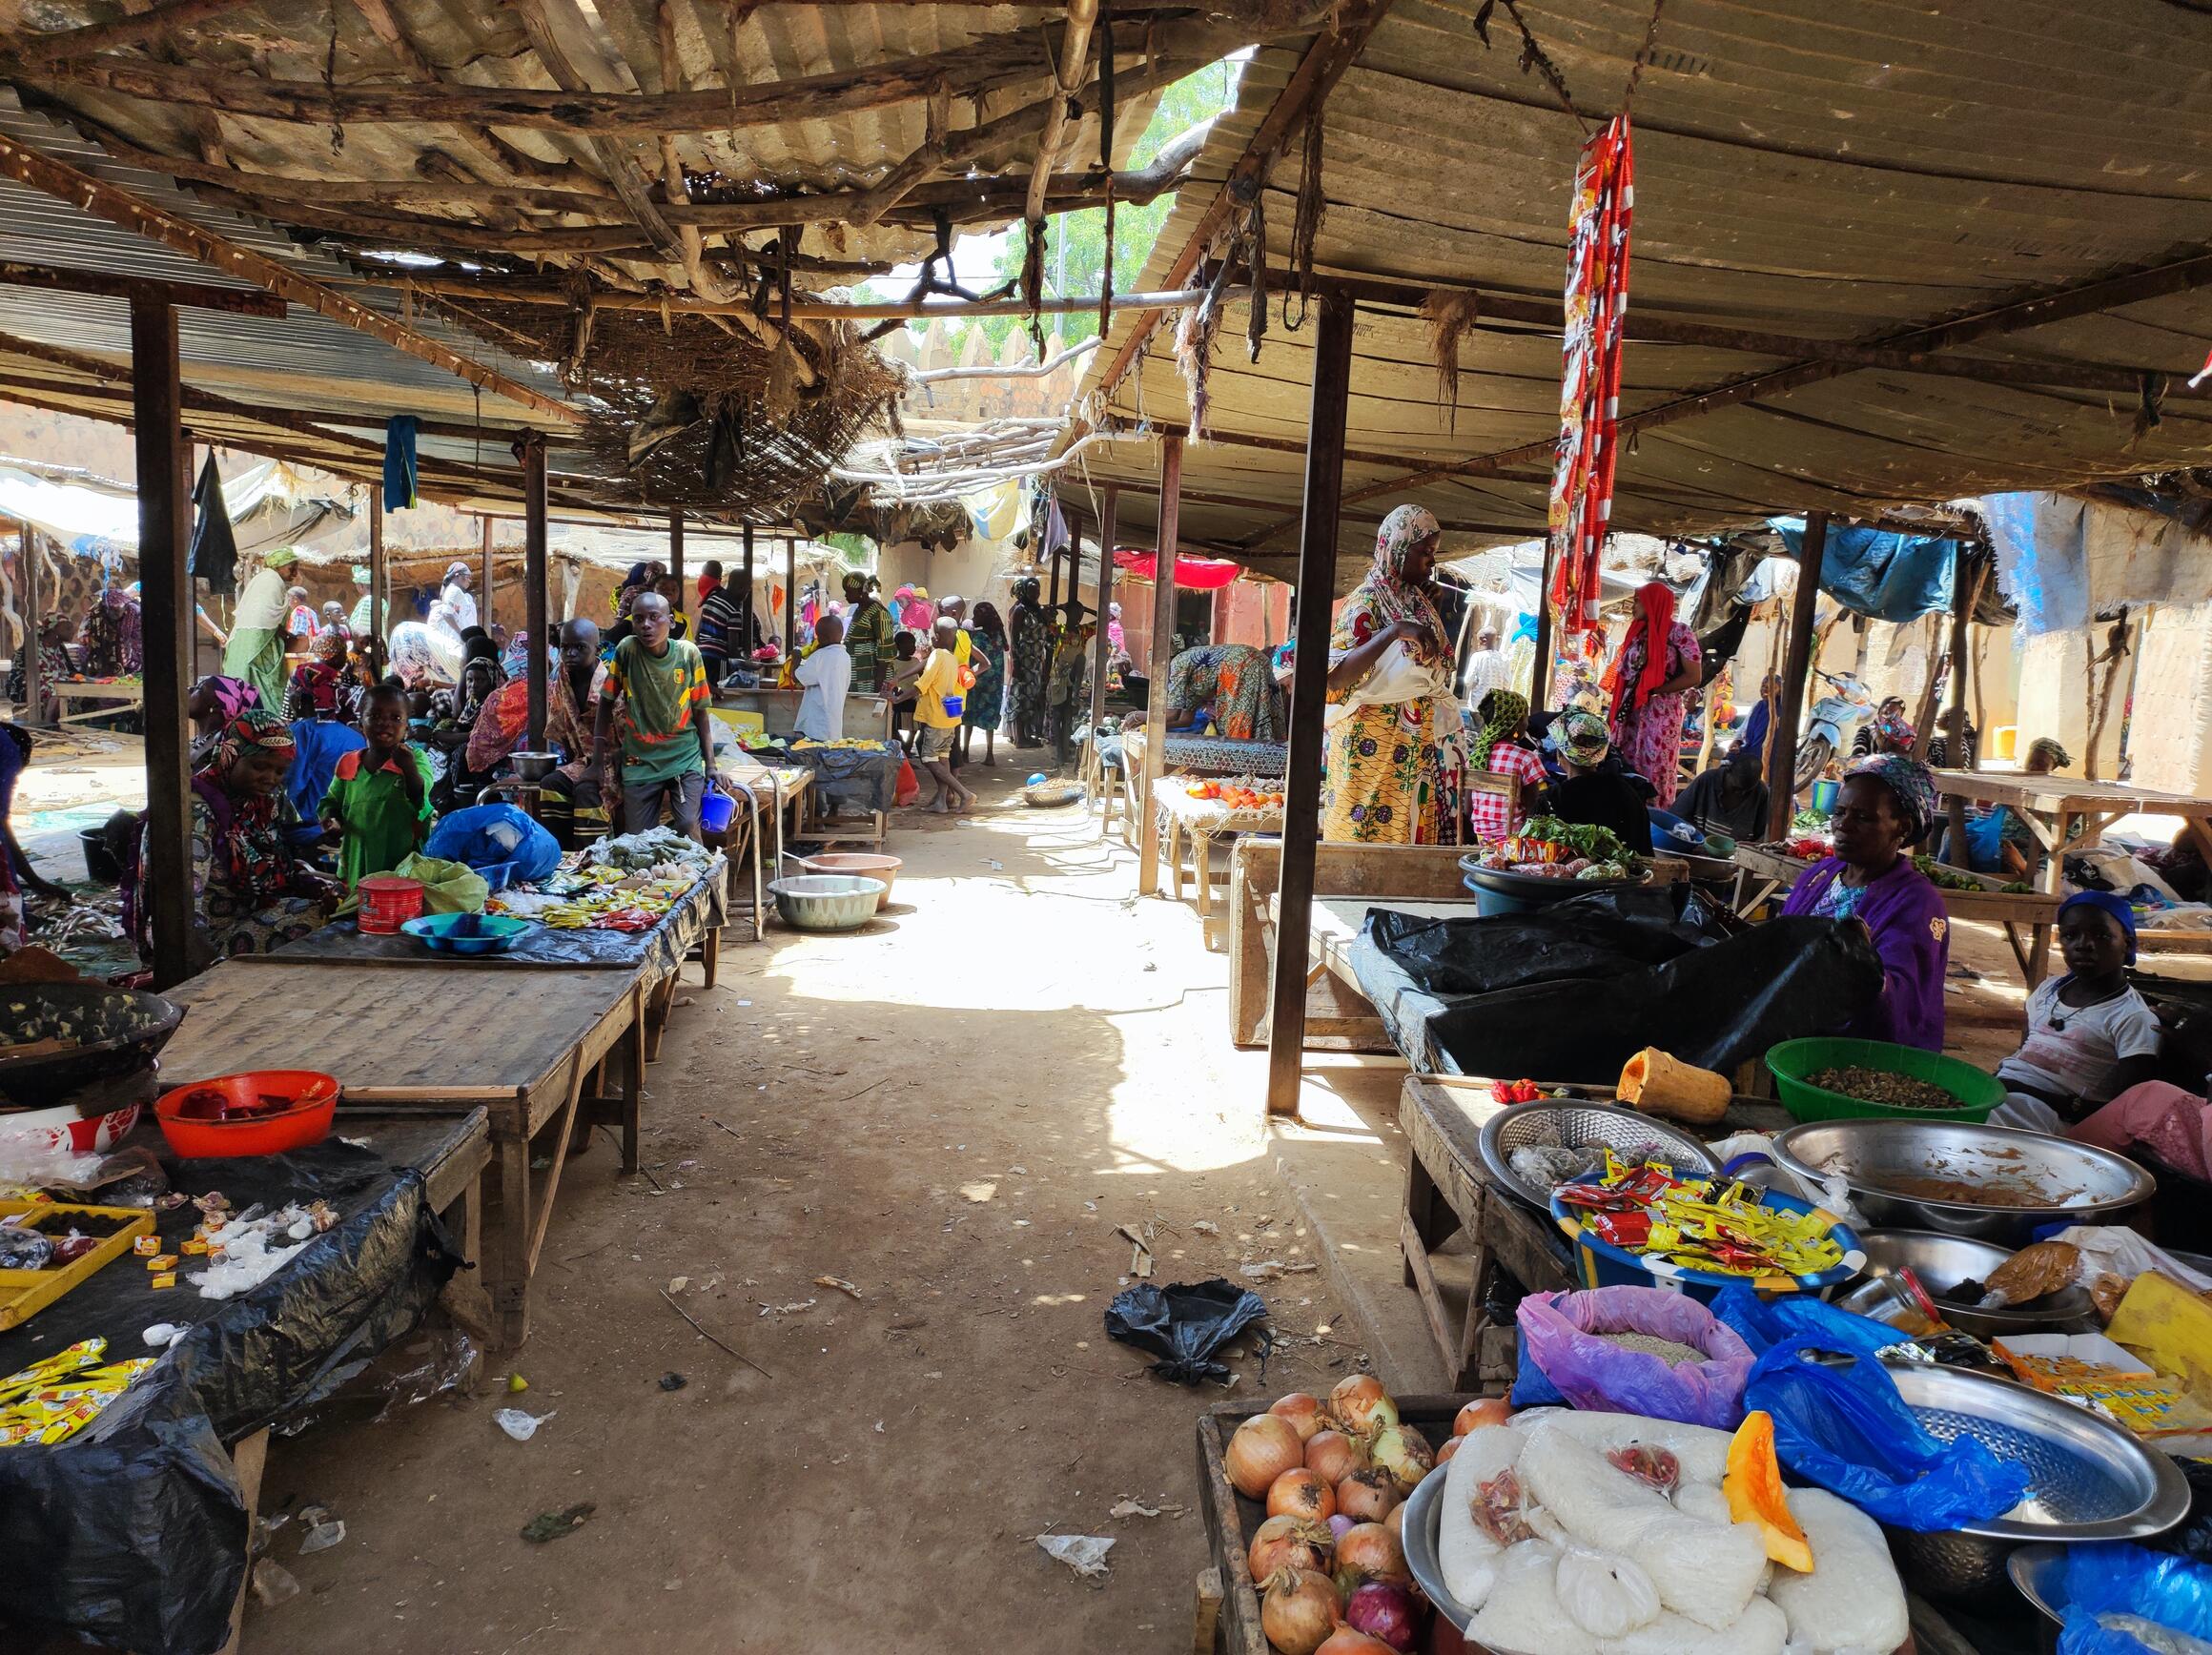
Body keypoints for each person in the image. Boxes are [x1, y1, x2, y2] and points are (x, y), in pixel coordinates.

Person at [1780, 752, 1950, 1051]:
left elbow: (1901, 1002)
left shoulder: (1917, 903)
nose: (1843, 825)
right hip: (1791, 1030)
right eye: (1840, 812)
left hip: (1858, 1055)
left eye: (1863, 817)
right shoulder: (1821, 875)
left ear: (1903, 828)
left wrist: (1860, 960)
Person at [1321, 504, 1466, 845]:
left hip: (1415, 751)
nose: (1432, 562)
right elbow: (1334, 679)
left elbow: (1431, 662)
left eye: (1434, 554)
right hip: (1369, 749)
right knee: (1362, 839)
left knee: (1408, 840)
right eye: (1425, 553)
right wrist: (1394, 631)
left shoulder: (1417, 600)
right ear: (1398, 548)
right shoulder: (1366, 603)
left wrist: (1426, 611)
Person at [1989, 890, 2162, 1134]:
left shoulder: (2132, 1018)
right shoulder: (2048, 990)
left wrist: (2019, 1089)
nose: (2083, 945)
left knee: (1975, 1118)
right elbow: (2026, 1052)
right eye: (2070, 935)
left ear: (2128, 943)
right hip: (2005, 1094)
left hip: (2054, 1117)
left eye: (2101, 935)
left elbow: (2126, 1111)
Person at [174, 710, 336, 968]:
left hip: (247, 915)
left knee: (337, 913)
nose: (270, 779)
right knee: (320, 927)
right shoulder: (196, 812)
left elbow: (275, 866)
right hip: (201, 943)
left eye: (280, 771)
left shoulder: (259, 805)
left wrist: (316, 887)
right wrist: (210, 971)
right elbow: (180, 915)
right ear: (231, 754)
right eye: (259, 766)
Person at [595, 591, 712, 837]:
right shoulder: (627, 651)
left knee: (688, 826)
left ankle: (698, 875)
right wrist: (598, 759)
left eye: (654, 617)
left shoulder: (688, 654)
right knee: (639, 839)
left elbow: (701, 713)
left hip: (683, 756)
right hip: (640, 760)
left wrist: (710, 765)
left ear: (670, 621)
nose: (646, 625)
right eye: (638, 619)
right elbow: (605, 702)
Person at [317, 684, 434, 889]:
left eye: (395, 718)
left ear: (407, 727)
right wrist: (332, 821)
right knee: (359, 908)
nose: (384, 723)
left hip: (401, 863)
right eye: (375, 716)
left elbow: (419, 795)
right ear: (360, 724)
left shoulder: (415, 759)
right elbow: (332, 801)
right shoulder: (349, 763)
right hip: (357, 859)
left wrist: (408, 768)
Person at [1604, 581, 1700, 808]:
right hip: (1631, 712)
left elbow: (1693, 676)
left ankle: (1653, 822)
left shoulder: (1679, 633)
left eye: (1639, 601)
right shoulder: (1637, 634)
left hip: (1660, 713)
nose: (1633, 606)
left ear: (1653, 603)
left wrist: (1654, 691)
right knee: (1624, 763)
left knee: (1655, 767)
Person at [1551, 711, 1655, 855]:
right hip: (1627, 875)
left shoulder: (1555, 798)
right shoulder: (1627, 791)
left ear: (1559, 754)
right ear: (1600, 754)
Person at [911, 617, 976, 813]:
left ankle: (964, 793)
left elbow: (922, 685)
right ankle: (941, 800)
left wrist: (896, 698)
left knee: (929, 759)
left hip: (936, 717)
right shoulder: (951, 657)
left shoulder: (937, 655)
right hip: (950, 718)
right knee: (942, 757)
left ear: (936, 637)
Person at [1467, 688, 1549, 842]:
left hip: (1481, 837)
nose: (1528, 722)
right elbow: (1532, 808)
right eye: (1525, 717)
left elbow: (1468, 809)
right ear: (1516, 724)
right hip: (1513, 839)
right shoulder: (1526, 758)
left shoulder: (1476, 756)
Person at [222, 545, 298, 710]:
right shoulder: (273, 582)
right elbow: (267, 622)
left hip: (243, 647)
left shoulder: (261, 579)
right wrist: (290, 638)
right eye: (291, 567)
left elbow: (265, 617)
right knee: (268, 696)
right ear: (278, 565)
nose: (295, 573)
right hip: (260, 646)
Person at [1163, 644, 1284, 743]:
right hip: (1255, 658)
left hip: (1241, 664)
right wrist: (1153, 728)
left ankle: (1241, 762)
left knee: (1237, 723)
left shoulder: (1176, 664)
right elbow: (1186, 719)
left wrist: (1145, 717)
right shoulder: (1189, 674)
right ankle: (1262, 759)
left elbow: (1172, 714)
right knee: (1262, 714)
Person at [1672, 746, 1772, 841]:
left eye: (1747, 791)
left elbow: (1762, 834)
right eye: (1736, 789)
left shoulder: (1761, 792)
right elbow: (1676, 815)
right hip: (1697, 844)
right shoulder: (1707, 780)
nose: (1741, 794)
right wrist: (1706, 839)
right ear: (1728, 771)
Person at [282, 629, 365, 725]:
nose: (346, 657)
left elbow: (287, 717)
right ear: (335, 657)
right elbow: (360, 715)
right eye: (343, 653)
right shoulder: (348, 680)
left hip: (305, 732)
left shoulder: (298, 673)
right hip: (337, 734)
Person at [960, 601, 1008, 766]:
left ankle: (965, 751)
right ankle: (989, 754)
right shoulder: (999, 636)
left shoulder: (977, 636)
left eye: (977, 615)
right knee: (989, 717)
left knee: (969, 717)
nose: (974, 618)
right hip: (993, 683)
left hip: (976, 680)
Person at [1046, 603, 1094, 769]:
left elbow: (1106, 617)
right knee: (1057, 717)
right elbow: (1045, 613)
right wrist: (1061, 607)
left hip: (1073, 681)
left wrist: (1086, 609)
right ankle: (1060, 753)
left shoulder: (1083, 631)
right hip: (1058, 679)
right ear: (1067, 614)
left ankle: (1064, 753)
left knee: (1067, 719)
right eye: (1075, 614)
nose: (1078, 617)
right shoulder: (1059, 630)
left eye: (1080, 615)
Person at [793, 612, 852, 743]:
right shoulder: (845, 656)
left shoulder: (820, 656)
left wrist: (796, 659)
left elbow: (798, 677)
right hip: (834, 724)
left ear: (821, 638)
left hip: (816, 724)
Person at [1007, 576, 1052, 747]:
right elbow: (1014, 638)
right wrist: (1016, 662)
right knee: (1021, 697)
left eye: (1038, 590)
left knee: (1031, 698)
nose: (1036, 593)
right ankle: (1019, 738)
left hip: (1036, 662)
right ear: (1025, 590)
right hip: (1024, 661)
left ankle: (1026, 734)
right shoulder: (1020, 610)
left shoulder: (1036, 610)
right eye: (1032, 589)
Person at [8, 611, 74, 724]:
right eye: (67, 628)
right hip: (30, 687)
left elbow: (71, 671)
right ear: (54, 629)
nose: (72, 632)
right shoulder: (32, 647)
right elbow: (20, 676)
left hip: (58, 685)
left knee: (82, 691)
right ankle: (47, 723)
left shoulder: (60, 648)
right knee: (57, 690)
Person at [188, 675, 261, 769]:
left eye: (199, 689)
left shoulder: (223, 748)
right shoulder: (197, 741)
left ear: (216, 706)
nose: (189, 689)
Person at [840, 570, 895, 693]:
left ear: (861, 591)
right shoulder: (860, 609)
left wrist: (876, 692)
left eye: (848, 591)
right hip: (858, 677)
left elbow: (885, 654)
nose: (846, 595)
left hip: (871, 681)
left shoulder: (879, 613)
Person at [883, 631, 922, 751]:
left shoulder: (916, 661)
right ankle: (902, 747)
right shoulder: (894, 663)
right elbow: (889, 680)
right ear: (898, 646)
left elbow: (923, 677)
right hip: (898, 699)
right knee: (895, 725)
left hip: (913, 698)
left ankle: (907, 748)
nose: (913, 647)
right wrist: (895, 690)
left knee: (914, 726)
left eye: (914, 644)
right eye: (909, 644)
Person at [1462, 625, 1512, 709]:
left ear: (1483, 640)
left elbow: (1468, 681)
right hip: (1496, 705)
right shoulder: (1504, 658)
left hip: (1478, 704)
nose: (1477, 644)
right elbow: (1507, 684)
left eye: (1478, 641)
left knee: (1476, 722)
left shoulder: (1477, 657)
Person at [440, 561, 479, 631]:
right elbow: (446, 614)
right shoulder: (455, 591)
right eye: (468, 577)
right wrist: (461, 633)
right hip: (456, 640)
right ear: (458, 576)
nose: (470, 581)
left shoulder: (452, 591)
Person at [282, 585, 317, 651]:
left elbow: (300, 634)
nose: (288, 602)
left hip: (299, 647)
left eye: (289, 598)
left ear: (295, 600)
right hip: (310, 646)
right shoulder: (311, 611)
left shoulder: (299, 611)